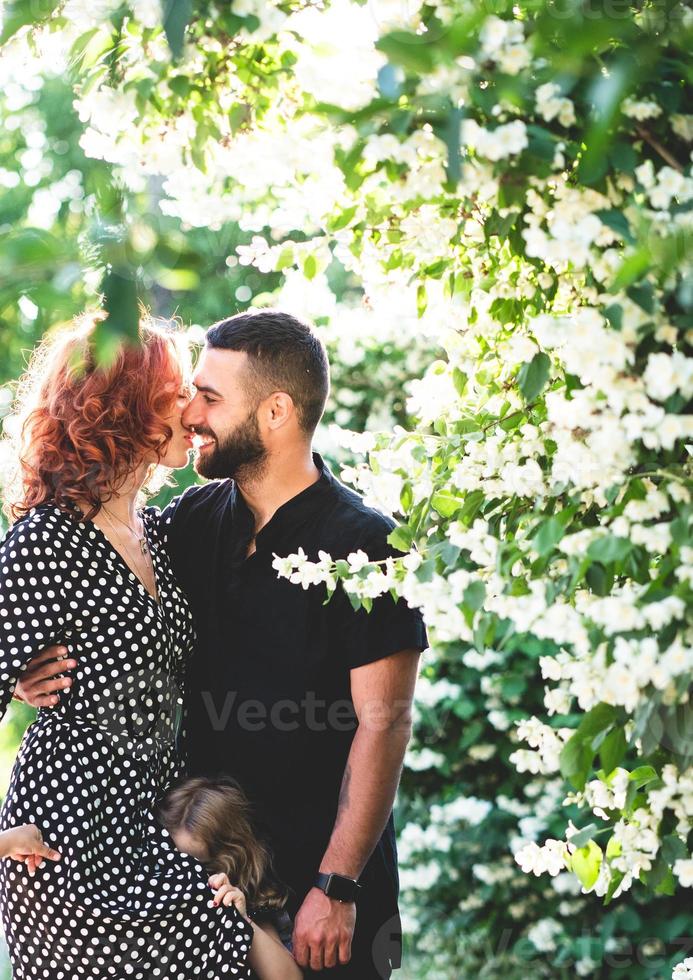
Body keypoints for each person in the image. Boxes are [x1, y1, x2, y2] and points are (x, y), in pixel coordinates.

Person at [18, 309, 428, 979]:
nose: (190, 412)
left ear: (274, 413)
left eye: (208, 397)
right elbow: (91, 594)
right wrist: (22, 672)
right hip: (199, 877)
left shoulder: (368, 546)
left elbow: (384, 726)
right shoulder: (185, 524)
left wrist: (337, 885)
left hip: (320, 890)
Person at [0, 314, 253, 980]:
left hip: (151, 826)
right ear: (123, 408)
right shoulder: (45, 543)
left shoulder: (160, 534)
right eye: (174, 395)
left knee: (238, 936)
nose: (190, 411)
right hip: (66, 840)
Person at [157, 775, 302, 979]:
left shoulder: (246, 900)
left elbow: (289, 978)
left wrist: (241, 920)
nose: (187, 875)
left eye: (200, 866)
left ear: (228, 858)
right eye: (175, 861)